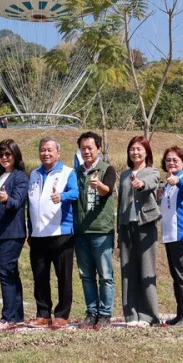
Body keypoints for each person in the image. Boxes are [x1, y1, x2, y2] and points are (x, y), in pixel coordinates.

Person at [27, 137, 79, 328]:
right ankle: (43, 314)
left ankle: (62, 315)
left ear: (58, 153)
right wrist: (30, 229)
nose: (46, 153)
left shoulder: (68, 172)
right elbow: (30, 204)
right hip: (38, 234)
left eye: (50, 150)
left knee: (63, 276)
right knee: (40, 276)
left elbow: (76, 192)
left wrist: (62, 196)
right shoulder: (34, 174)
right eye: (42, 150)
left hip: (61, 232)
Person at [73, 131, 117, 328]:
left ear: (98, 148)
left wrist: (97, 184)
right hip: (81, 232)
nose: (86, 151)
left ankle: (105, 314)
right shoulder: (76, 172)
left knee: (105, 275)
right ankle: (92, 313)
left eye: (90, 148)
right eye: (83, 148)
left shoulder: (107, 169)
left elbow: (106, 190)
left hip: (101, 231)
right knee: (86, 275)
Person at [117, 136, 161, 327]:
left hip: (146, 226)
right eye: (132, 149)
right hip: (127, 227)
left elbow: (151, 182)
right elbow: (120, 204)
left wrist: (141, 184)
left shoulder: (152, 171)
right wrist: (119, 230)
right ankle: (131, 315)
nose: (135, 152)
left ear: (146, 152)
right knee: (128, 271)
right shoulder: (125, 175)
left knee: (146, 271)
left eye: (139, 149)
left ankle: (148, 316)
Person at [0, 139, 28, 329]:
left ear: (15, 155)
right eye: (1, 154)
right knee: (10, 273)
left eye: (8, 154)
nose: (4, 158)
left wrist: (7, 199)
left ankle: (9, 317)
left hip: (13, 232)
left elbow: (17, 202)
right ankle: (16, 315)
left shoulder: (20, 177)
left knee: (4, 271)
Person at [160, 146, 183, 327]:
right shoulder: (168, 183)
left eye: (175, 160)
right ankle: (180, 314)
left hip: (181, 234)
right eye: (168, 160)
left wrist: (176, 181)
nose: (171, 163)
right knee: (176, 276)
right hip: (169, 235)